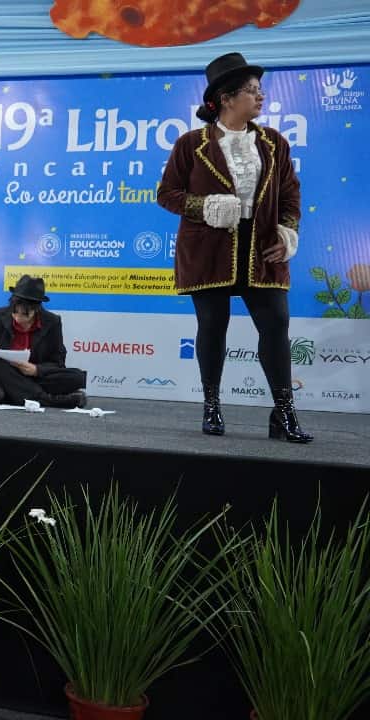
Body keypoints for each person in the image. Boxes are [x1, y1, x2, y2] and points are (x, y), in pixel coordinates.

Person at [157, 52, 311, 442]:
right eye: (252, 91)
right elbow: (167, 194)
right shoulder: (191, 144)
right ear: (226, 98)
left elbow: (291, 194)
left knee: (275, 325)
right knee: (212, 326)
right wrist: (205, 206)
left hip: (262, 250)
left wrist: (287, 231)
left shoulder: (274, 143)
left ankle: (284, 413)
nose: (260, 98)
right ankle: (212, 406)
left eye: (260, 91)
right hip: (208, 250)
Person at [0, 275, 87, 408]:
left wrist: (36, 370)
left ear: (36, 309)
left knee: (77, 377)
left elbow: (58, 361)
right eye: (15, 312)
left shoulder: (52, 322)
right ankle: (49, 400)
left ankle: (9, 395)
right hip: (2, 373)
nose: (18, 318)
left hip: (31, 376)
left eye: (25, 314)